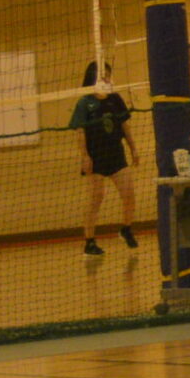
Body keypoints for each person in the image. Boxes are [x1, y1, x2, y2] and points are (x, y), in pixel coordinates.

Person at [71, 61, 139, 256]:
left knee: (129, 194)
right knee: (96, 198)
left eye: (108, 75)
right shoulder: (85, 102)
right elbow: (80, 132)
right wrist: (85, 156)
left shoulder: (115, 99)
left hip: (116, 154)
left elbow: (125, 126)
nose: (107, 79)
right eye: (103, 76)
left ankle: (126, 229)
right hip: (96, 157)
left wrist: (133, 148)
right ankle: (89, 241)